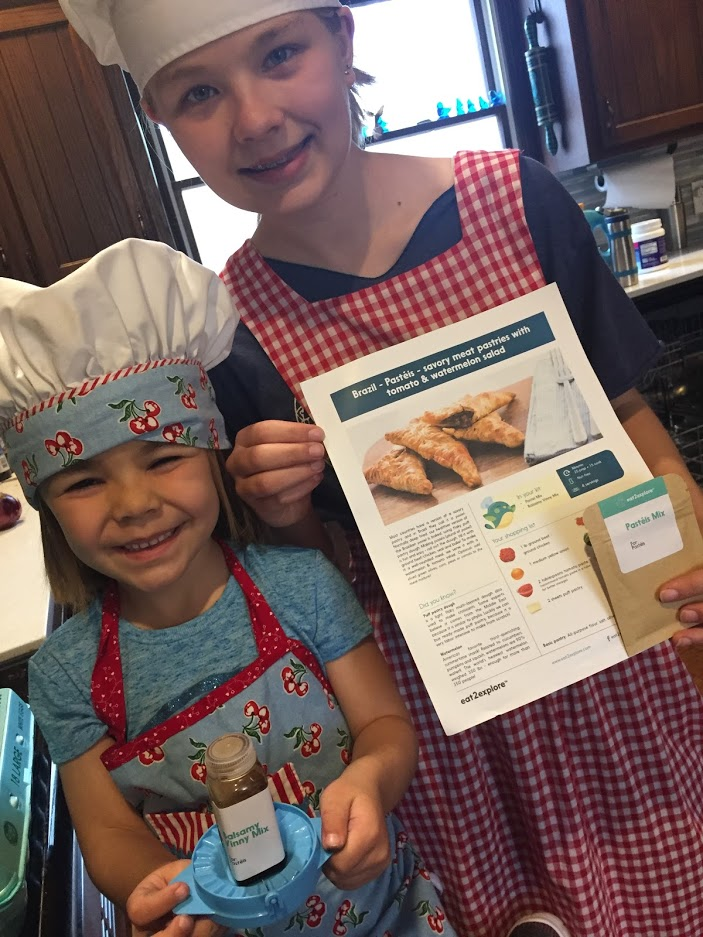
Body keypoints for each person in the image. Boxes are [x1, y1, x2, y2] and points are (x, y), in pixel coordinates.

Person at [55, 2, 703, 936]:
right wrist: (280, 509)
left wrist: (684, 521)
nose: (255, 119)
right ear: (160, 119)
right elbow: (310, 583)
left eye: (281, 54)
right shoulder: (229, 333)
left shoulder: (515, 201)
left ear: (343, 40)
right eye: (199, 94)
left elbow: (625, 410)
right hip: (430, 711)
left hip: (600, 651)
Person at [4, 238, 463, 937]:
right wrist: (163, 888)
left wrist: (370, 780)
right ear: (47, 507)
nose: (134, 504)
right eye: (85, 480)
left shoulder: (303, 586)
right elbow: (108, 832)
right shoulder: (66, 674)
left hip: (389, 916)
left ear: (212, 456)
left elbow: (384, 727)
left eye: (163, 459)